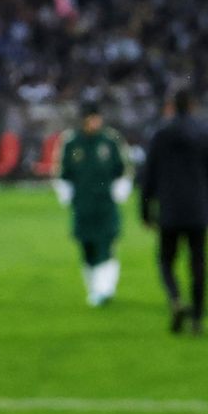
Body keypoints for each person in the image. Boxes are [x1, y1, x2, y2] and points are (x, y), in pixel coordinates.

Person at [139, 90, 208, 335]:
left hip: (169, 209)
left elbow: (148, 177)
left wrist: (145, 212)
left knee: (166, 260)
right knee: (198, 263)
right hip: (199, 209)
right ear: (192, 106)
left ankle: (176, 298)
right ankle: (197, 318)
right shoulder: (206, 134)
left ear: (171, 106)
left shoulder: (160, 134)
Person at [54, 102, 129, 306]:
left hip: (105, 204)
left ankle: (105, 289)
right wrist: (67, 197)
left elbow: (122, 170)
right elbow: (63, 174)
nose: (95, 122)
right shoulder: (71, 142)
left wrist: (119, 193)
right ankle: (94, 288)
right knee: (86, 247)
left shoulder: (110, 140)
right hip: (82, 205)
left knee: (106, 244)